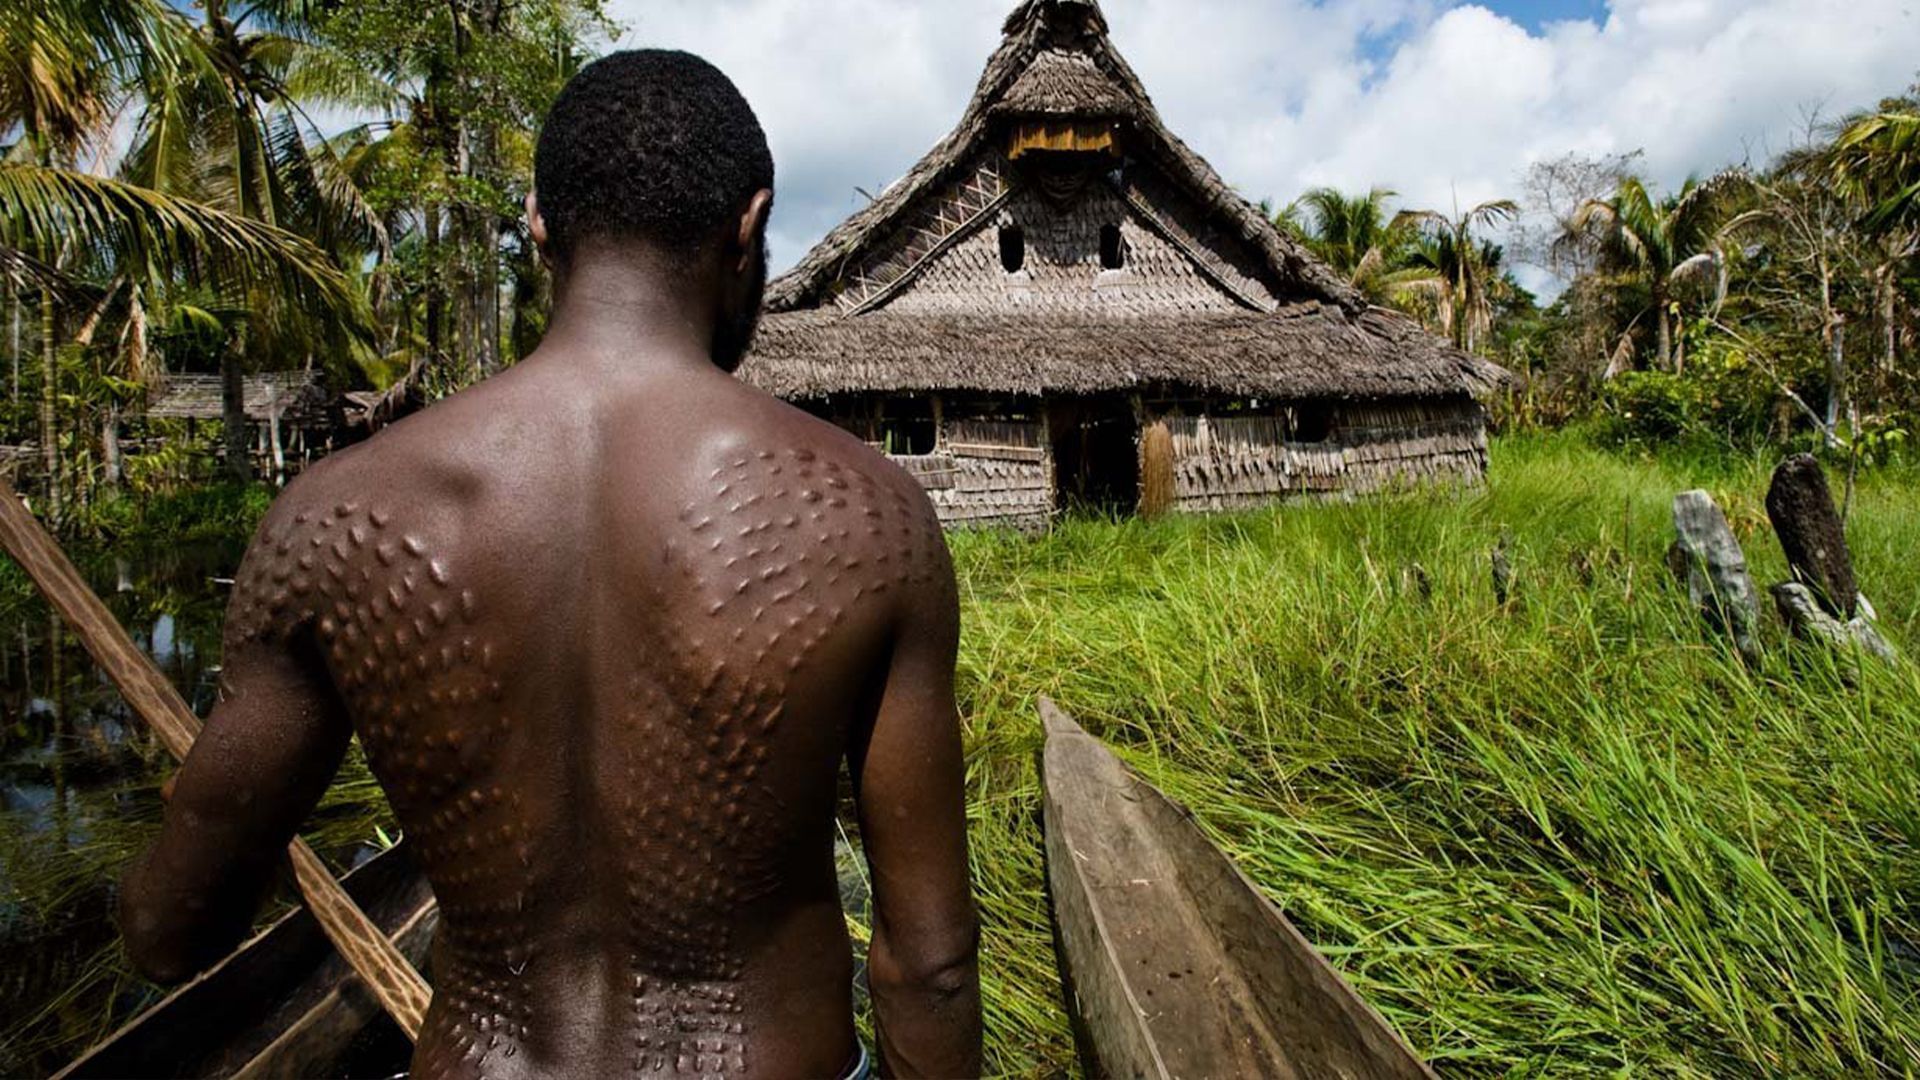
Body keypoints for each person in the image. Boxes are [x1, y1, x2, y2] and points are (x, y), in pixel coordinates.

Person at [118, 50, 981, 1080]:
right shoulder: (865, 515)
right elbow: (927, 964)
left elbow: (171, 933)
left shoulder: (336, 518)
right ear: (748, 229)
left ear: (536, 225)